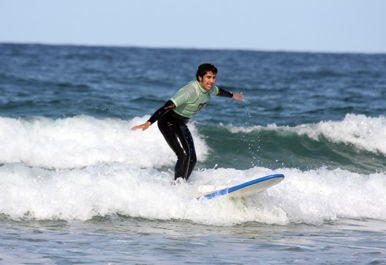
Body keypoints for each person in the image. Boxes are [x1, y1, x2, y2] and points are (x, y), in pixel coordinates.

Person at [131, 63, 243, 182]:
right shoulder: (190, 91)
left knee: (192, 158)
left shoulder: (209, 90)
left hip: (181, 123)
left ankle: (181, 184)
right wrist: (149, 122)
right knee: (184, 155)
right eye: (208, 77)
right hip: (169, 121)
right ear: (200, 78)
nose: (211, 81)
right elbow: (167, 107)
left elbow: (219, 91)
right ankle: (177, 188)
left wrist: (232, 95)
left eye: (213, 77)